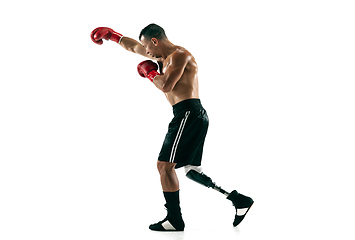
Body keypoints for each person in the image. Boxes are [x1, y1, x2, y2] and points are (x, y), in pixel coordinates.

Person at [90, 24, 254, 231]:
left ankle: (174, 220)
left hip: (188, 113)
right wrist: (113, 36)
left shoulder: (179, 55)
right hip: (189, 115)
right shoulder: (161, 57)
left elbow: (166, 85)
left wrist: (149, 73)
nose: (146, 51)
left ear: (155, 41)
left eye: (147, 45)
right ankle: (239, 199)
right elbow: (133, 47)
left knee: (164, 166)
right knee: (191, 171)